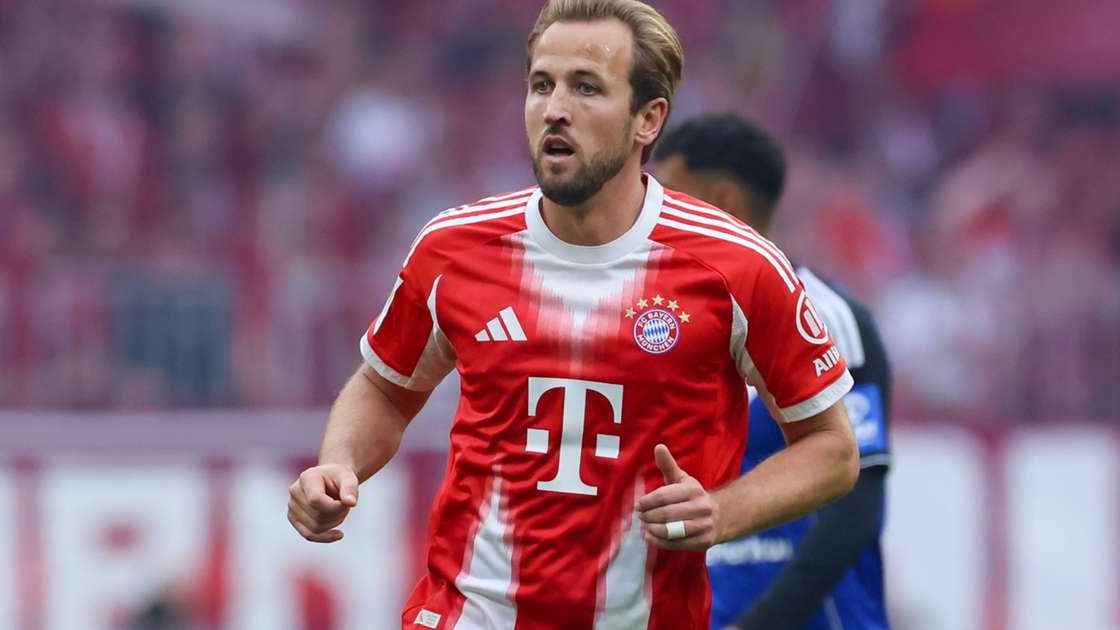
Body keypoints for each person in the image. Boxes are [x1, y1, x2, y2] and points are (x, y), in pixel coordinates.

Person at [287, 2, 859, 628]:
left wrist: (724, 513)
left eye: (586, 87)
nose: (555, 109)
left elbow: (832, 448)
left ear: (648, 119)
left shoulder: (737, 266)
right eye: (542, 85)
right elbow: (385, 388)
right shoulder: (454, 247)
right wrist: (338, 465)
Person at [653, 114, 893, 630]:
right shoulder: (664, 325)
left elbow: (856, 505)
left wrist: (762, 624)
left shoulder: (826, 318)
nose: (653, 212)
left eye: (669, 193)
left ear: (721, 200)